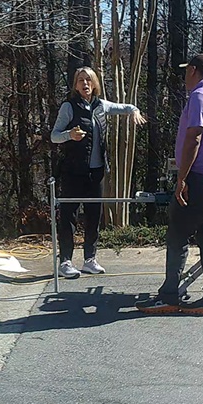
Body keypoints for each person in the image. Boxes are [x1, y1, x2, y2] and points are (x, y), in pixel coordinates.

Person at [138, 53, 203, 315]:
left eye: (186, 71)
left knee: (178, 234)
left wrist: (181, 179)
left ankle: (170, 295)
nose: (184, 77)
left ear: (193, 70)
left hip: (200, 177)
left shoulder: (200, 97)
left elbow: (194, 137)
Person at [50, 66, 147, 278]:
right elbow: (54, 136)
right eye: (81, 80)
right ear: (75, 85)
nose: (85, 84)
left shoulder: (101, 106)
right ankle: (65, 261)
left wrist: (134, 111)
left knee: (94, 216)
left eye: (89, 80)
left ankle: (89, 259)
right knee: (69, 216)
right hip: (73, 171)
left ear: (95, 84)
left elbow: (126, 107)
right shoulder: (69, 106)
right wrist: (69, 135)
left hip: (97, 172)